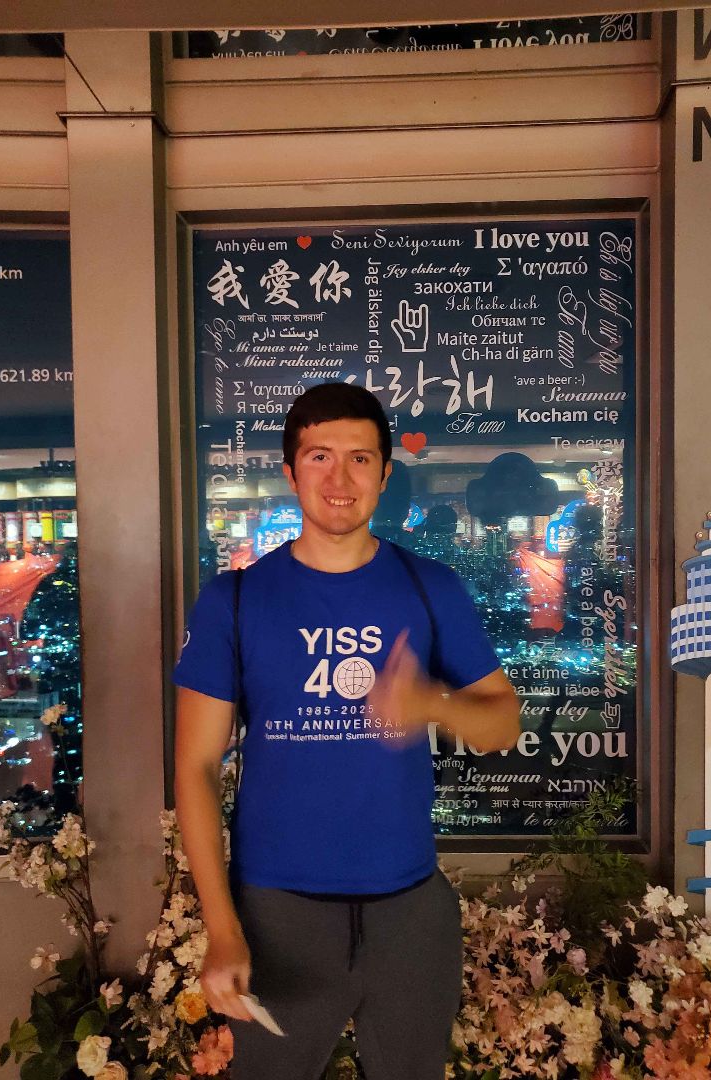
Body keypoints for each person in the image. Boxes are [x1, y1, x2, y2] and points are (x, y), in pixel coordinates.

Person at [173, 383, 519, 1080]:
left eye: (360, 460)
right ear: (290, 469)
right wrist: (222, 927)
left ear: (385, 475)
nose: (340, 479)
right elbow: (196, 768)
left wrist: (431, 704)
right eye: (320, 457)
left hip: (411, 908)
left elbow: (503, 723)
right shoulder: (234, 600)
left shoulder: (431, 587)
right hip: (277, 913)